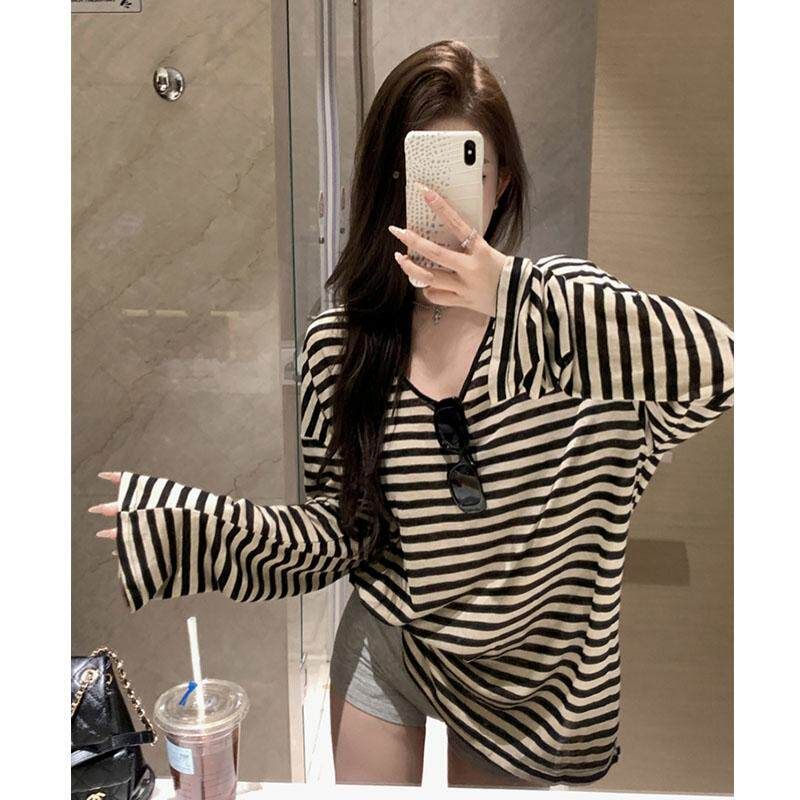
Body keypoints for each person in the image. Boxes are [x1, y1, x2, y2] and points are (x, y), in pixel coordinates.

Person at [88, 40, 734, 790]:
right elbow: (341, 534)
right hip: (390, 645)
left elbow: (723, 367)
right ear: (383, 182)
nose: (433, 202)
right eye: (412, 174)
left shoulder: (560, 316)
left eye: (463, 171)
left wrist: (507, 291)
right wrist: (205, 527)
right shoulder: (346, 344)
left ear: (501, 183)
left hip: (528, 687)